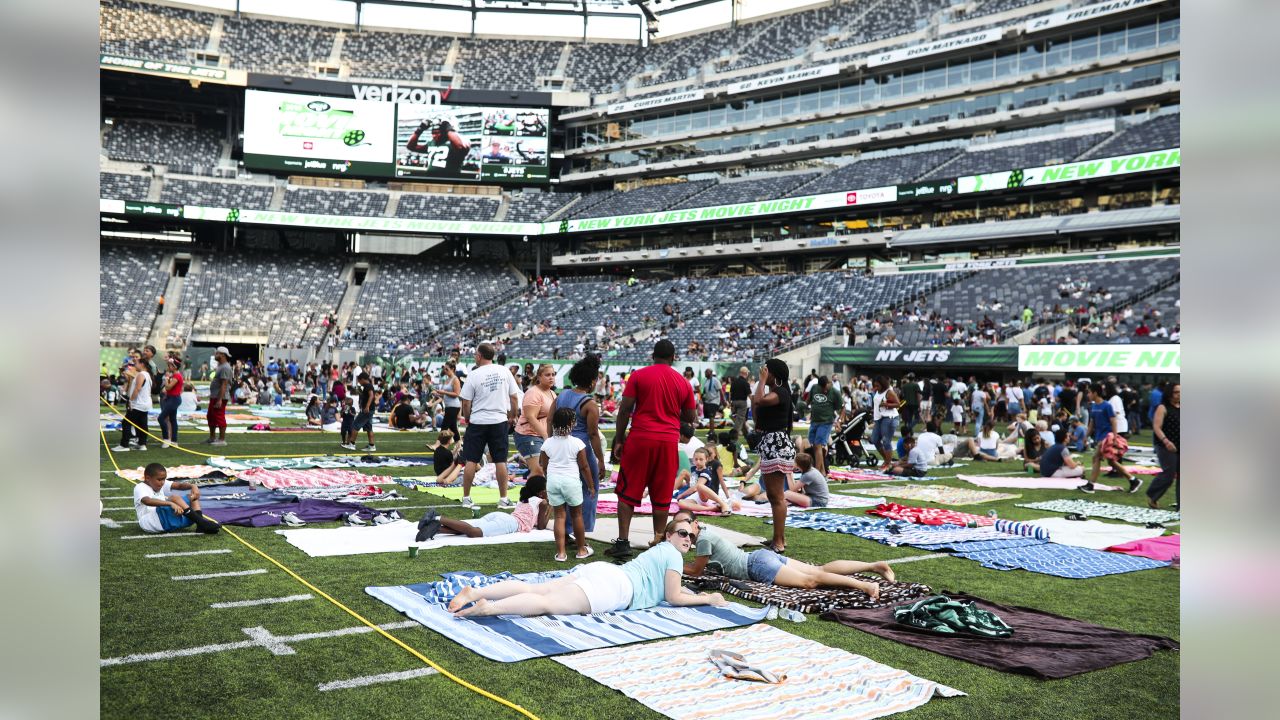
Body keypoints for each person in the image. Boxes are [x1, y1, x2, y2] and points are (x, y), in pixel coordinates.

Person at [447, 518, 725, 618]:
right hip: (616, 588)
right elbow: (674, 596)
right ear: (669, 535)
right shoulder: (673, 555)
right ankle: (489, 608)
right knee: (546, 603)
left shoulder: (662, 550)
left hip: (606, 573)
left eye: (692, 536)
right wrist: (706, 598)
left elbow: (671, 589)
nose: (688, 539)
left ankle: (474, 592)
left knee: (538, 589)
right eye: (683, 534)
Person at [607, 340, 696, 558]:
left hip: (640, 438)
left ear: (652, 355)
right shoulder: (683, 382)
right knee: (662, 493)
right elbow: (690, 417)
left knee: (627, 492)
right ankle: (658, 540)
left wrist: (618, 440)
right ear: (673, 357)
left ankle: (623, 542)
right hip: (667, 442)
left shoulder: (638, 375)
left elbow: (625, 410)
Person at [682, 510, 893, 600]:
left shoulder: (703, 540)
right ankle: (874, 566)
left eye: (686, 524)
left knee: (811, 581)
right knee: (818, 570)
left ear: (696, 523)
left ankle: (865, 585)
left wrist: (670, 563)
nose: (684, 529)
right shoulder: (704, 533)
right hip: (759, 558)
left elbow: (696, 571)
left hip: (757, 566)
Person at [459, 342, 522, 508]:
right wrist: (512, 416)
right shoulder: (504, 371)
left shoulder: (474, 374)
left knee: (471, 460)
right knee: (500, 461)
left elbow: (466, 402)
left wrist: (467, 418)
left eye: (475, 355)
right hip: (498, 421)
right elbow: (514, 398)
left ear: (479, 356)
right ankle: (503, 499)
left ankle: (466, 498)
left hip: (478, 421)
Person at [554, 355, 608, 533]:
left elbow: (549, 419)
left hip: (561, 448)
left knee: (567, 490)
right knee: (589, 490)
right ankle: (584, 532)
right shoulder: (590, 404)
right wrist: (601, 460)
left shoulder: (561, 396)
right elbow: (593, 434)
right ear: (592, 382)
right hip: (582, 451)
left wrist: (553, 441)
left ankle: (567, 529)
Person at [752, 357, 796, 554]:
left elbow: (759, 399)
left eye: (766, 370)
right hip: (771, 443)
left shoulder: (781, 392)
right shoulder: (776, 393)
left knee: (776, 496)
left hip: (776, 444)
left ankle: (778, 541)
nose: (763, 372)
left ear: (774, 375)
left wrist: (761, 381)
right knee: (772, 494)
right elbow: (757, 407)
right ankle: (780, 538)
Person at [540, 408, 594, 561]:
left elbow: (544, 467)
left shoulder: (547, 443)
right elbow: (584, 467)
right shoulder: (577, 443)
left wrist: (549, 481)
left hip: (553, 481)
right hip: (571, 481)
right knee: (577, 515)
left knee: (559, 517)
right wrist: (591, 485)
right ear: (572, 424)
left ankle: (561, 553)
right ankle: (581, 550)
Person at [428, 476, 549, 540]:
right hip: (511, 522)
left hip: (502, 516)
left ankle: (437, 529)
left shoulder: (526, 498)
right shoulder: (542, 502)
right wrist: (551, 506)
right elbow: (541, 526)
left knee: (469, 529)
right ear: (541, 492)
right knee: (474, 532)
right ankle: (437, 517)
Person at [1080, 384, 1137, 494]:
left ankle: (1090, 485)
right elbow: (1092, 424)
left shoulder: (1107, 405)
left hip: (1107, 437)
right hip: (1099, 436)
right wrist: (1086, 436)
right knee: (1111, 462)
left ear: (1095, 393)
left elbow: (1113, 421)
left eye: (1089, 392)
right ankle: (1133, 480)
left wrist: (1115, 437)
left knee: (1096, 458)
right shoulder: (1094, 406)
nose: (1088, 395)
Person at [133, 463, 220, 534]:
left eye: (164, 479)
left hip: (165, 521)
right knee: (174, 498)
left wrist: (193, 486)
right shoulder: (140, 487)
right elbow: (147, 501)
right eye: (159, 480)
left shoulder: (162, 482)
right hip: (150, 522)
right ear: (147, 478)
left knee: (193, 496)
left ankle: (200, 524)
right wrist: (171, 503)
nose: (162, 482)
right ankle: (201, 522)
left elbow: (179, 485)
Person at [514, 364, 557, 477]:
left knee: (545, 470)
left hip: (543, 436)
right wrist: (546, 436)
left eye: (553, 374)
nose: (551, 377)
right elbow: (530, 417)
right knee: (538, 471)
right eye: (547, 375)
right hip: (528, 435)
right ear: (539, 377)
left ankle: (536, 490)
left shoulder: (552, 393)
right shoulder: (533, 393)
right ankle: (532, 493)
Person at [1147, 383, 1180, 509]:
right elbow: (1156, 427)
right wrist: (1166, 441)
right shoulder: (1162, 407)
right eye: (1176, 392)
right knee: (1169, 474)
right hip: (1165, 445)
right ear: (1169, 393)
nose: (1179, 395)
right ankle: (1152, 495)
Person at [675, 447, 733, 515]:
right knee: (681, 503)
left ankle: (723, 504)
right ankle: (712, 509)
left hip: (704, 496)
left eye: (701, 459)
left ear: (706, 459)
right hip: (695, 497)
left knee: (699, 486)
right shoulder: (693, 469)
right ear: (693, 459)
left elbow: (696, 487)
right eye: (696, 459)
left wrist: (682, 494)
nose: (698, 462)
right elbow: (692, 483)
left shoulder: (706, 472)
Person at [114, 357, 153, 452]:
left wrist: (131, 401)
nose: (135, 365)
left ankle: (124, 445)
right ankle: (142, 444)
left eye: (137, 363)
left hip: (138, 404)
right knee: (142, 424)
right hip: (144, 404)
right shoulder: (147, 375)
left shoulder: (142, 375)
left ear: (142, 364)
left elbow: (137, 389)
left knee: (126, 423)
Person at [807, 375, 839, 476]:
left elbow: (841, 407)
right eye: (823, 388)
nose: (825, 390)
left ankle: (817, 472)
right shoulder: (814, 388)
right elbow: (809, 400)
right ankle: (822, 471)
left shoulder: (834, 392)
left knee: (818, 445)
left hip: (826, 422)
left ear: (829, 384)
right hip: (814, 421)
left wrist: (839, 421)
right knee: (815, 445)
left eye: (826, 388)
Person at [869, 376, 901, 470]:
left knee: (886, 441)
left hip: (889, 418)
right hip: (879, 418)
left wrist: (886, 404)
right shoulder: (878, 391)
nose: (875, 388)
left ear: (882, 385)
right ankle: (887, 460)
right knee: (874, 439)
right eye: (874, 386)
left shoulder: (889, 392)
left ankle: (888, 463)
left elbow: (898, 404)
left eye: (877, 386)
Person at [343, 374, 379, 451]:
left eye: (359, 380)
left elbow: (371, 396)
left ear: (363, 379)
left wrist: (367, 406)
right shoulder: (367, 386)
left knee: (355, 425)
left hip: (367, 410)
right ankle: (372, 445)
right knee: (369, 428)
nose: (359, 382)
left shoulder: (368, 386)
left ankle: (352, 444)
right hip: (369, 410)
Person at [205, 346, 232, 447]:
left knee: (219, 417)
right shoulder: (220, 365)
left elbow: (224, 384)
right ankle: (212, 438)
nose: (215, 355)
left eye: (217, 353)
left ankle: (222, 439)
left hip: (220, 397)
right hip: (215, 396)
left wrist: (220, 399)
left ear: (223, 355)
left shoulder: (225, 367)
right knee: (211, 416)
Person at [157, 357, 183, 448]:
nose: (168, 367)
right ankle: (174, 441)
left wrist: (166, 378)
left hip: (174, 399)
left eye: (170, 365)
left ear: (175, 366)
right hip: (171, 398)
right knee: (172, 420)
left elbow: (168, 387)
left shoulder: (177, 376)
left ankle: (166, 439)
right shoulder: (174, 375)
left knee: (161, 418)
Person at [434, 363, 463, 435]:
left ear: (452, 369)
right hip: (448, 406)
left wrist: (444, 392)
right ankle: (459, 443)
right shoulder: (447, 379)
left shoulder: (455, 379)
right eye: (444, 369)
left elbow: (456, 394)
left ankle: (438, 444)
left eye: (447, 369)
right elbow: (445, 395)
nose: (445, 371)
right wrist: (437, 394)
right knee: (453, 427)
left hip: (453, 406)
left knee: (444, 426)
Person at [730, 366, 751, 436]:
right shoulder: (745, 383)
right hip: (742, 402)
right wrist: (754, 403)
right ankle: (734, 433)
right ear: (746, 373)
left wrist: (730, 403)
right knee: (740, 419)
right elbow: (749, 395)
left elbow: (730, 393)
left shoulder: (734, 382)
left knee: (739, 418)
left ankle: (745, 432)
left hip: (733, 402)